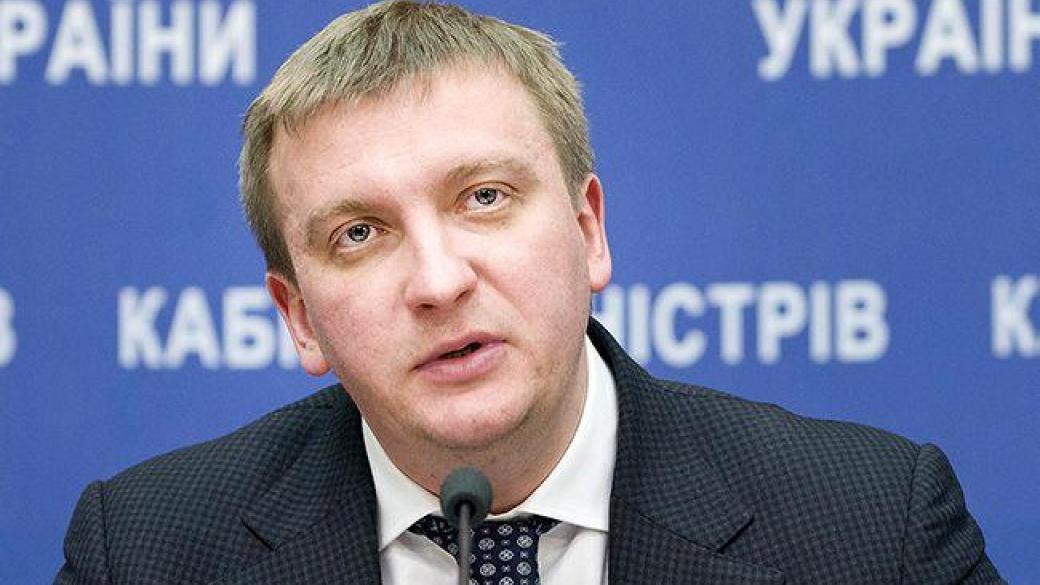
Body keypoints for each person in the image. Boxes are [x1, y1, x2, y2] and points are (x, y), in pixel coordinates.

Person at [55, 1, 1004, 584]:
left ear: (589, 231)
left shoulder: (870, 526)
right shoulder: (143, 553)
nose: (438, 281)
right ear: (300, 317)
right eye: (359, 234)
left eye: (484, 197)